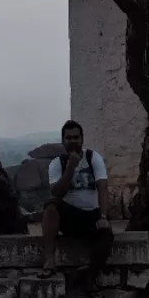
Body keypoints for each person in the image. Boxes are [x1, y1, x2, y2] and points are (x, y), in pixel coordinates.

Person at [41, 120, 113, 288]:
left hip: (92, 214)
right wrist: (71, 167)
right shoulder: (56, 164)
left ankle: (90, 277)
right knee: (51, 206)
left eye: (76, 137)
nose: (72, 141)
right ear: (62, 141)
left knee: (106, 238)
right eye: (68, 138)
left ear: (82, 139)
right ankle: (50, 259)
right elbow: (57, 192)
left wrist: (103, 216)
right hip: (70, 217)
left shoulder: (93, 158)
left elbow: (103, 188)